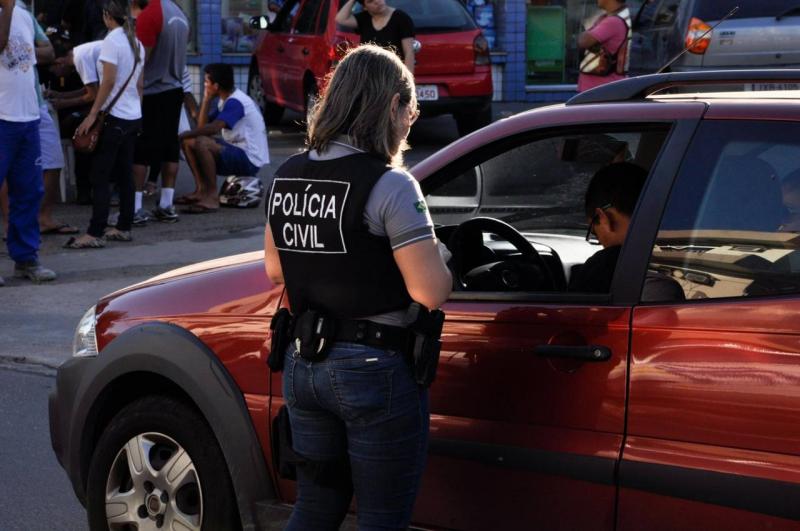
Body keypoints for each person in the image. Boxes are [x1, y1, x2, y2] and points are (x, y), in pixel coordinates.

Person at [263, 44, 452, 530]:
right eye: (410, 110)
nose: (411, 122)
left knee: (314, 509)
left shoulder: (287, 175)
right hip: (374, 368)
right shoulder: (391, 184)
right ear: (391, 106)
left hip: (303, 365)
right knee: (381, 519)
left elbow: (275, 271)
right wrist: (441, 256)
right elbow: (431, 292)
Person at [65, 0, 143, 248]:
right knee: (125, 174)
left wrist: (92, 114)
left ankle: (94, 232)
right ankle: (123, 226)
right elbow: (140, 84)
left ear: (108, 16)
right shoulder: (136, 42)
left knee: (100, 175)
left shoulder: (112, 41)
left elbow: (107, 81)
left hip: (114, 116)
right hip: (132, 116)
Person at [0, 0, 57, 285]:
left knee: (29, 191)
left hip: (27, 115)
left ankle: (25, 258)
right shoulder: (12, 10)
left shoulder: (23, 13)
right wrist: (7, 9)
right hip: (1, 116)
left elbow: (48, 51)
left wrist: (13, 11)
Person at [177, 63, 269, 213]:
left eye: (206, 82)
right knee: (189, 142)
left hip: (249, 159)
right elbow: (202, 126)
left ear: (216, 86)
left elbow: (213, 128)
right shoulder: (225, 99)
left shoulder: (236, 102)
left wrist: (183, 134)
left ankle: (211, 197)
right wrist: (206, 99)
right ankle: (201, 190)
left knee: (202, 143)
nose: (204, 85)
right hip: (237, 151)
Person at [130, 0, 189, 224]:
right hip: (174, 89)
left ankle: (135, 208)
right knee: (169, 147)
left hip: (151, 90)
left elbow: (140, 60)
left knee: (140, 148)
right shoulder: (180, 15)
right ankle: (166, 204)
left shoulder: (151, 14)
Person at [569, 162, 645, 293]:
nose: (601, 244)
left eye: (595, 234)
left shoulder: (607, 266)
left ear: (603, 218)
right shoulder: (667, 259)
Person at [336, 0, 415, 74]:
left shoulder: (401, 18)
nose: (377, 1)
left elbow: (408, 52)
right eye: (370, 1)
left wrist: (407, 77)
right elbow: (340, 18)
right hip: (369, 74)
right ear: (365, 7)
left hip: (393, 74)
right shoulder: (364, 19)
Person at [577, 0, 631, 93]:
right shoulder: (607, 18)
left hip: (601, 91)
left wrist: (586, 32)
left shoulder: (613, 21)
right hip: (598, 90)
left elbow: (583, 41)